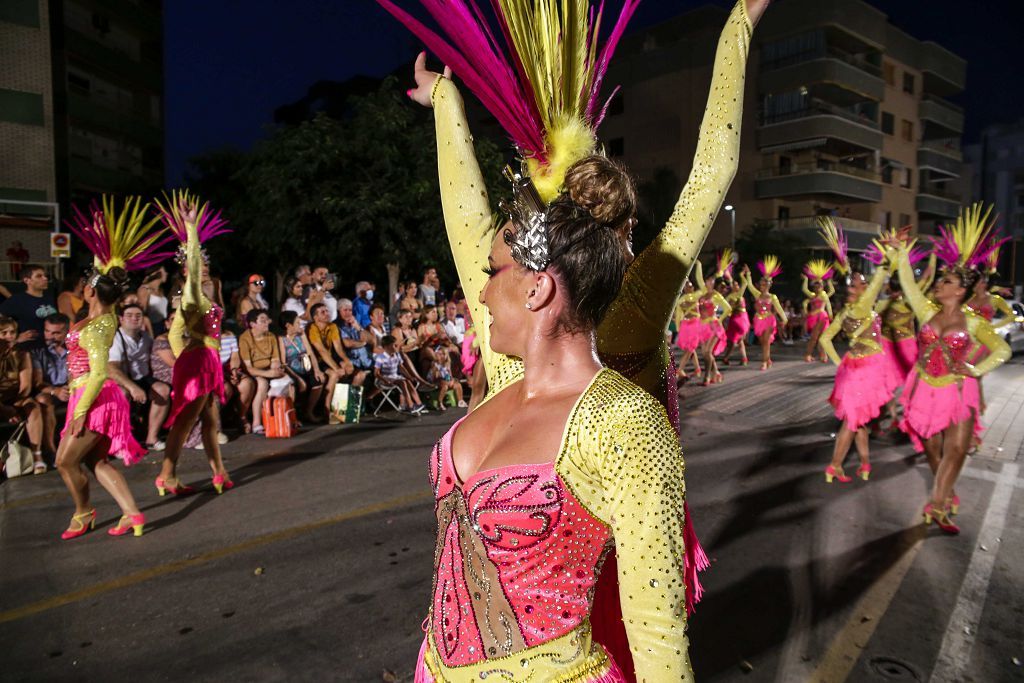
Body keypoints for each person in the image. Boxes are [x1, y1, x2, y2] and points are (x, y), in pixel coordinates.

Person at [395, 0, 764, 671]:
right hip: (507, 605)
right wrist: (737, 26)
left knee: (637, 637)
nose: (479, 288)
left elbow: (461, 204)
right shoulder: (629, 287)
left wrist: (447, 103)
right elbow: (711, 173)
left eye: (491, 270)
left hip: (600, 524)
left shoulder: (602, 314)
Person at [895, 205, 1010, 534]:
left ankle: (939, 503)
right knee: (933, 450)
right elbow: (908, 285)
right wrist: (902, 253)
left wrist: (976, 368)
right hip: (925, 388)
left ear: (959, 289)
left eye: (945, 281)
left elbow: (1002, 348)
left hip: (959, 389)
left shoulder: (974, 322)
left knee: (956, 449)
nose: (938, 285)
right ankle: (945, 492)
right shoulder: (925, 309)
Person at [57, 195, 166, 539]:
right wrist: (102, 239)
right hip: (86, 396)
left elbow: (100, 372)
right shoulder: (92, 316)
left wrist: (80, 412)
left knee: (65, 462)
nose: (86, 284)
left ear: (91, 292)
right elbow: (102, 272)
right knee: (96, 462)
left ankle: (83, 512)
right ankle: (132, 515)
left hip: (96, 399)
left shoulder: (102, 325)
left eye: (89, 283)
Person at [154, 190, 233, 496]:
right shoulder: (190, 295)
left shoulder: (201, 298)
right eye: (200, 265)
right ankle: (166, 474)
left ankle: (219, 472)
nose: (206, 268)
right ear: (188, 270)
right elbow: (175, 336)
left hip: (203, 360)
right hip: (200, 362)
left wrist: (186, 354)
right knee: (186, 421)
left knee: (211, 420)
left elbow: (175, 334)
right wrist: (191, 229)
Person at [816, 219, 897, 483]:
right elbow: (880, 278)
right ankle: (835, 465)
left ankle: (864, 463)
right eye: (860, 282)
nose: (864, 284)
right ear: (860, 289)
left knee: (858, 420)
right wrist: (890, 255)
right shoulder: (863, 306)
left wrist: (839, 362)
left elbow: (826, 339)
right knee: (852, 421)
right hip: (868, 369)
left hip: (851, 367)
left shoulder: (844, 313)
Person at [106, 302, 168, 449]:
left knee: (163, 390)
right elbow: (111, 368)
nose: (134, 318)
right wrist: (133, 387)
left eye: (138, 315)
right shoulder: (116, 338)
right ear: (121, 319)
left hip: (143, 377)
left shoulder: (145, 337)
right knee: (122, 394)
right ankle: (120, 441)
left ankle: (151, 438)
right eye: (129, 315)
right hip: (123, 379)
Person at [0, 314, 46, 473]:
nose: (9, 336)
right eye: (4, 333)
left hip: (15, 399)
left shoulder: (22, 354)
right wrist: (4, 410)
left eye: (12, 332)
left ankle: (37, 456)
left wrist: (15, 406)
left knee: (33, 407)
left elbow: (25, 386)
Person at [239, 309, 290, 433]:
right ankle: (257, 422)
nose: (266, 323)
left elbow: (275, 359)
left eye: (267, 320)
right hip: (254, 372)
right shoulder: (245, 338)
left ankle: (284, 417)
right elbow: (249, 367)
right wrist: (267, 374)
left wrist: (275, 370)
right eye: (262, 321)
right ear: (253, 324)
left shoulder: (271, 336)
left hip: (269, 369)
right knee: (262, 383)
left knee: (287, 380)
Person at [31, 313, 71, 459]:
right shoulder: (38, 351)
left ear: (66, 332)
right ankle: (51, 450)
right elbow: (37, 383)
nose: (49, 336)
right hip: (50, 391)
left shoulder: (75, 348)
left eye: (56, 333)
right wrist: (56, 391)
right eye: (47, 331)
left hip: (72, 388)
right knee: (43, 400)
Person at [307, 302, 355, 413]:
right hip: (317, 361)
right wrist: (336, 368)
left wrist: (347, 361)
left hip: (328, 358)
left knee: (348, 369)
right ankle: (327, 407)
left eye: (327, 311)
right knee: (335, 374)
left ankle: (342, 406)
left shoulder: (332, 326)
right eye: (322, 312)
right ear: (315, 317)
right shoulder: (312, 328)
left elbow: (338, 347)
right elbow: (321, 351)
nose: (326, 314)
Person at [742, 257, 788, 371]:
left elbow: (779, 309)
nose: (763, 285)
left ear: (769, 285)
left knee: (766, 341)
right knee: (762, 342)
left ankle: (764, 362)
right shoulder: (757, 295)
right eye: (762, 283)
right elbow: (750, 285)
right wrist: (748, 274)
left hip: (769, 320)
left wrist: (784, 319)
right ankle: (768, 359)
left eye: (765, 283)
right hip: (758, 320)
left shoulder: (773, 297)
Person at [279, 310, 324, 424]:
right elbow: (283, 363)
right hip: (291, 370)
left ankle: (309, 412)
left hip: (305, 366)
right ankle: (293, 417)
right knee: (297, 384)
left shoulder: (301, 334)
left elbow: (310, 353)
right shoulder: (281, 339)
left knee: (318, 381)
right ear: (288, 325)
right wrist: (298, 379)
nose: (300, 325)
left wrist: (317, 370)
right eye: (297, 323)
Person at [0, 264, 57, 349]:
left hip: (50, 348)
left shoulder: (50, 298)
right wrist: (16, 338)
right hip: (28, 349)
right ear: (27, 280)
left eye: (45, 276)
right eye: (39, 276)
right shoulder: (17, 300)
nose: (45, 278)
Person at [373, 335, 425, 414]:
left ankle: (419, 403)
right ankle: (410, 405)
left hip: (395, 377)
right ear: (387, 347)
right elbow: (376, 373)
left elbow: (401, 367)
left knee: (407, 381)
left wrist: (409, 376)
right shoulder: (381, 357)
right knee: (402, 382)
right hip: (383, 379)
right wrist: (385, 380)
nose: (397, 347)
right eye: (394, 345)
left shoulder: (396, 355)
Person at [697, 269, 731, 385]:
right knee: (705, 353)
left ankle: (706, 377)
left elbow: (728, 309)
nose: (710, 282)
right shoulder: (703, 293)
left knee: (707, 352)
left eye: (712, 280)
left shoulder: (716, 295)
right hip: (702, 326)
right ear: (706, 282)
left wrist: (719, 319)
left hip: (713, 326)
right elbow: (698, 277)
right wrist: (698, 264)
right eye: (709, 280)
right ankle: (716, 373)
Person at [673, 266, 705, 381]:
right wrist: (678, 328)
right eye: (686, 285)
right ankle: (697, 368)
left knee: (690, 349)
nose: (688, 286)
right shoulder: (681, 300)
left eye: (690, 285)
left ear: (693, 287)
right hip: (686, 325)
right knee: (691, 348)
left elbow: (702, 285)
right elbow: (678, 315)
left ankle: (680, 369)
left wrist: (699, 267)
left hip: (695, 324)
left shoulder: (696, 295)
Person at [801, 261, 835, 363]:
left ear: (822, 286)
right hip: (813, 318)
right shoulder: (812, 295)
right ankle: (808, 354)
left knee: (822, 338)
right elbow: (804, 289)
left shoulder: (824, 294)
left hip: (822, 317)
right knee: (814, 338)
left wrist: (830, 314)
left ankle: (822, 355)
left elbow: (831, 295)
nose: (818, 286)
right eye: (816, 285)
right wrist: (806, 280)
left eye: (819, 285)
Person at [722, 268, 750, 366]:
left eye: (737, 284)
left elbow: (745, 284)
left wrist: (742, 275)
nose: (737, 286)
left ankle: (726, 357)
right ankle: (744, 358)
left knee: (735, 340)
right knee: (738, 340)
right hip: (737, 319)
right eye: (735, 284)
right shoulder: (733, 296)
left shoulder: (737, 295)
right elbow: (726, 307)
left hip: (740, 319)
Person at [137, 265, 171, 335]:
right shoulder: (144, 289)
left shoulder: (161, 290)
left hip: (164, 326)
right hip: (153, 327)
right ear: (158, 273)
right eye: (164, 271)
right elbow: (142, 313)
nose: (167, 273)